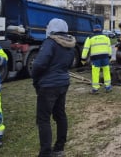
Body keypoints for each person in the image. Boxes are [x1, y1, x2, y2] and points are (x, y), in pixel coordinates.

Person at [31, 18, 76, 157]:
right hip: (63, 83)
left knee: (43, 119)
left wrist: (35, 78)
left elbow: (39, 64)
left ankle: (45, 153)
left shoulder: (50, 43)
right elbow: (69, 64)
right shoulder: (70, 44)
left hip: (48, 86)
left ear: (50, 29)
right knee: (60, 115)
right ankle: (59, 148)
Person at [81, 24, 112, 94]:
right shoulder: (106, 37)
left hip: (96, 59)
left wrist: (83, 59)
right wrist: (109, 57)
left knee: (95, 73)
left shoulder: (90, 38)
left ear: (94, 30)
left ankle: (95, 88)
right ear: (101, 29)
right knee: (106, 72)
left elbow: (85, 49)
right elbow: (109, 48)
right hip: (105, 57)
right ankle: (108, 87)